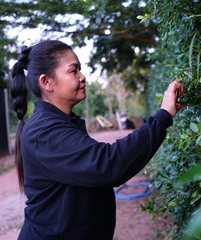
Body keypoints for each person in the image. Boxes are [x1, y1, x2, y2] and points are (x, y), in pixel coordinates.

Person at [10, 40, 185, 239]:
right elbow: (107, 164)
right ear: (46, 82)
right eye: (73, 71)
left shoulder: (61, 123)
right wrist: (163, 116)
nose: (83, 77)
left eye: (80, 70)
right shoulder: (44, 132)